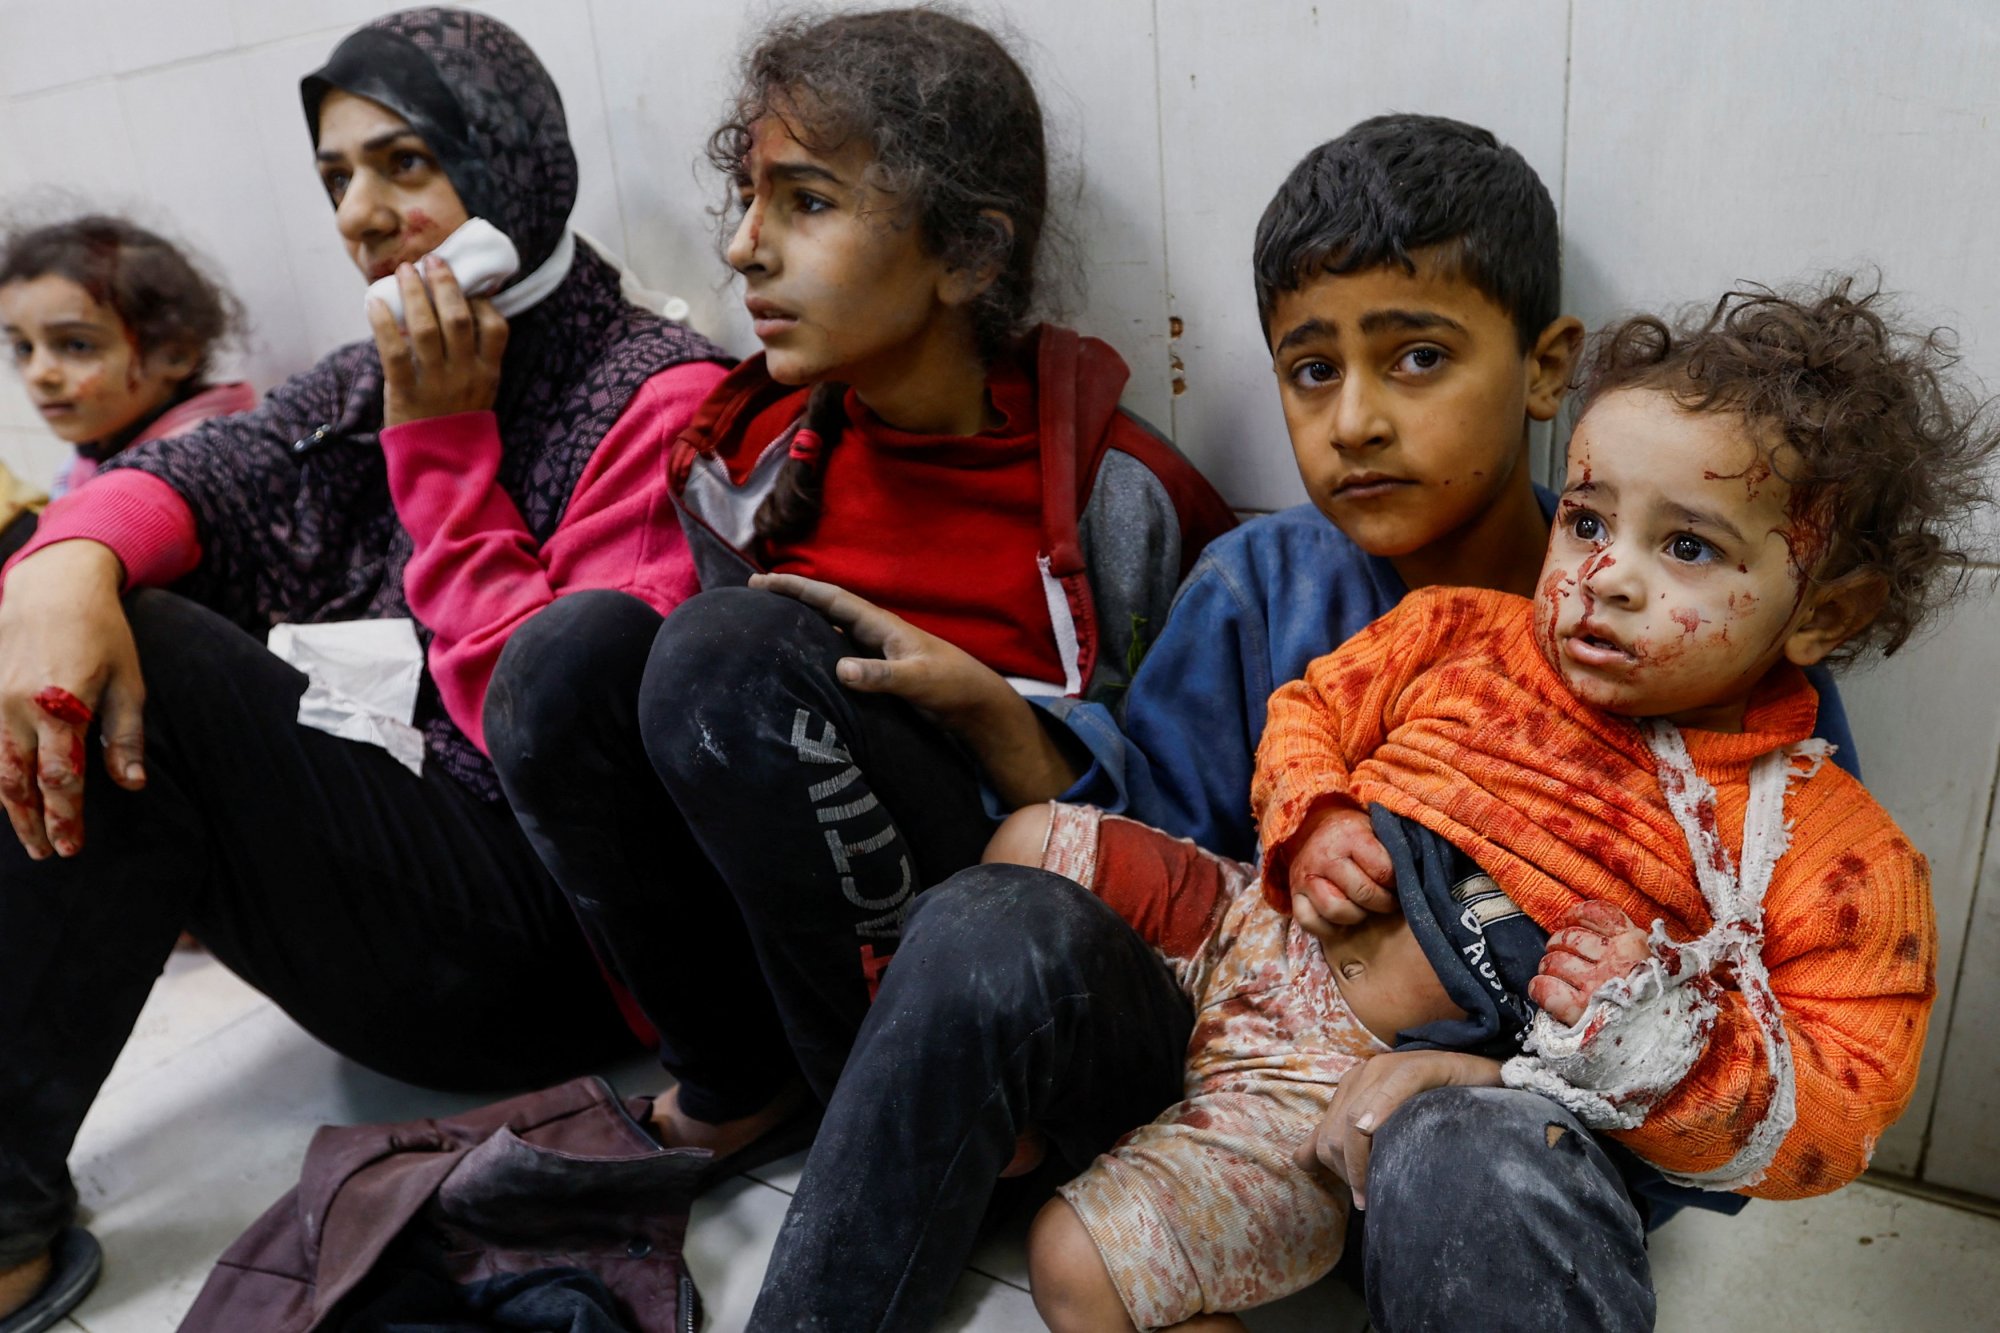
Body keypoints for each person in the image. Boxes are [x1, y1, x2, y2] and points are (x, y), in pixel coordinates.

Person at [739, 115, 1862, 1332]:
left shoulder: (1730, 695)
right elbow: (1151, 871)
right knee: (988, 909)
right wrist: (1004, 724)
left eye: (1417, 357)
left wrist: (1505, 1084)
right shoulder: (1256, 584)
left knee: (1466, 1149)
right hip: (1231, 1076)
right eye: (1312, 369)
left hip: (1477, 1128)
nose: (1354, 420)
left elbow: (1774, 1044)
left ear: (1545, 370)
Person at [1018, 278, 1985, 1330]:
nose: (1605, 576)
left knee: (1073, 1262)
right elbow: (1310, 708)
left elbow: (1836, 1110)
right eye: (1586, 520)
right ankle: (1040, 1125)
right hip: (1254, 936)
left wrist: (1650, 1033)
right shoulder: (1466, 636)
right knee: (1026, 844)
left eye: (1687, 547)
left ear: (1825, 613)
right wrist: (1316, 814)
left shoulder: (1824, 854)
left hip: (1362, 1085)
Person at [0, 9, 726, 1327]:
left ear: (511, 165)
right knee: (68, 594)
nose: (359, 215)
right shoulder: (372, 371)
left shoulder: (658, 395)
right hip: (417, 879)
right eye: (336, 176)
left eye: (404, 164)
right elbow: (205, 472)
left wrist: (441, 448)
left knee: (156, 654)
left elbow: (552, 748)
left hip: (560, 956)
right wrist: (58, 571)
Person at [483, 6, 1234, 1165]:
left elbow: (1182, 845)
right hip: (817, 950)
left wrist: (990, 715)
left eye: (807, 202)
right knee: (565, 658)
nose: (745, 247)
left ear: (968, 255)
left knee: (727, 653)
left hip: (1023, 960)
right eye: (747, 198)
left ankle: (904, 1135)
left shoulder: (1118, 498)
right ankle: (741, 1078)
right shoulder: (744, 465)